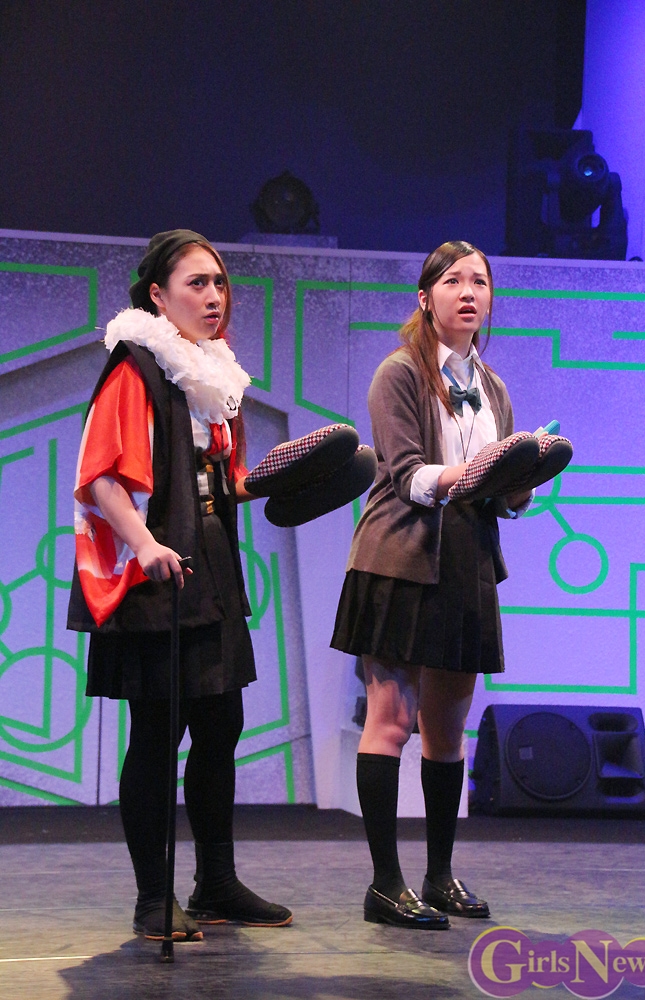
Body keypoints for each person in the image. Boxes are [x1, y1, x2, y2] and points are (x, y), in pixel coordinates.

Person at [67, 230, 292, 941]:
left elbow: (223, 480)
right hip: (156, 566)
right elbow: (101, 475)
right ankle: (151, 898)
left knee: (222, 724)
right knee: (157, 733)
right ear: (158, 297)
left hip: (210, 556)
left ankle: (216, 883)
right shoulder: (136, 364)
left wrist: (293, 478)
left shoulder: (213, 372)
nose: (214, 295)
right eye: (197, 283)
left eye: (220, 283)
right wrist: (143, 546)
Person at [331, 241, 533, 929]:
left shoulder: (493, 386)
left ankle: (439, 876)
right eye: (452, 281)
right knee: (390, 720)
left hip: (466, 562)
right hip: (400, 558)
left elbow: (506, 495)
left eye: (479, 281)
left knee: (446, 729)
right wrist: (476, 475)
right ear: (425, 297)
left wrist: (520, 481)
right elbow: (407, 474)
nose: (468, 292)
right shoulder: (399, 373)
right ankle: (385, 885)